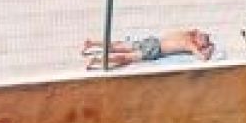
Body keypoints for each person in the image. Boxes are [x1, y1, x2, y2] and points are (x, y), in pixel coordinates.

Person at [81, 29, 215, 70]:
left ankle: (92, 43)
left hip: (152, 40)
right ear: (198, 39)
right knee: (126, 58)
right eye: (204, 42)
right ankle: (97, 61)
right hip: (155, 49)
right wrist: (210, 49)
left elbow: (196, 31)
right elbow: (203, 59)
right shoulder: (189, 43)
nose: (204, 45)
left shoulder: (186, 33)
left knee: (119, 46)